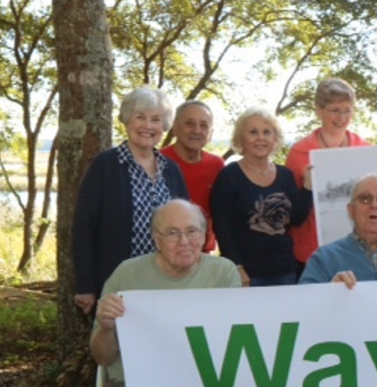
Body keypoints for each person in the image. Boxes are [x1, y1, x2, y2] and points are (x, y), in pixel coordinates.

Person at [91, 199, 241, 387]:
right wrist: (106, 327)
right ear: (156, 239)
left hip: (209, 382)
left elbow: (235, 340)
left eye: (192, 231)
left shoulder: (223, 272)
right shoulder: (127, 275)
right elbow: (101, 358)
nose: (184, 241)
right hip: (136, 385)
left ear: (205, 234)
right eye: (172, 233)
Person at [73, 87, 189, 315]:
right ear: (127, 120)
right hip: (119, 282)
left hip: (167, 281)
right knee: (118, 347)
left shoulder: (171, 170)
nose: (148, 126)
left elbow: (187, 223)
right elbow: (83, 228)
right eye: (140, 117)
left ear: (164, 126)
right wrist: (85, 286)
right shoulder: (104, 166)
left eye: (156, 119)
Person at [210, 107, 312, 287]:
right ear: (241, 139)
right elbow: (222, 227)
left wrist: (308, 188)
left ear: (275, 139)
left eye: (267, 132)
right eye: (253, 132)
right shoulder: (229, 176)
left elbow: (297, 219)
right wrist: (236, 267)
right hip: (247, 274)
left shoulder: (285, 175)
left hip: (285, 271)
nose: (260, 138)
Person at [285, 78, 371, 276]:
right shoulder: (299, 152)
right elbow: (292, 212)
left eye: (347, 110)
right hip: (310, 254)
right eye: (335, 110)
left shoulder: (365, 149)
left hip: (356, 252)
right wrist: (307, 187)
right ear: (318, 110)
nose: (342, 117)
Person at [159, 100, 224, 253]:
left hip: (202, 254)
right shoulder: (158, 162)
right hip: (162, 254)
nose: (197, 130)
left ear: (210, 133)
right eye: (189, 123)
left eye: (204, 125)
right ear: (175, 128)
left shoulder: (217, 166)